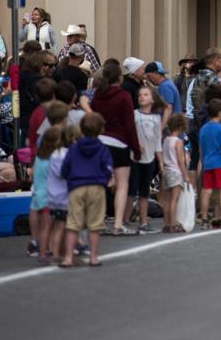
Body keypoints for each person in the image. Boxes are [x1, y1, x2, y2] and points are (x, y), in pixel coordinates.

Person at [92, 61, 141, 236]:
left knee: (101, 183)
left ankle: (100, 219)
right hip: (119, 142)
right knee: (122, 185)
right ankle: (118, 223)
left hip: (100, 141)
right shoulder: (124, 96)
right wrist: (136, 148)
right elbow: (129, 125)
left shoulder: (97, 95)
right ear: (119, 78)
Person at [59, 112, 113, 267]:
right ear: (101, 130)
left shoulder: (74, 148)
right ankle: (94, 257)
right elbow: (108, 168)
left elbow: (65, 168)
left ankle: (68, 257)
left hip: (77, 186)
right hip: (96, 186)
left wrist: (70, 179)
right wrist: (104, 180)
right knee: (95, 225)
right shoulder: (102, 148)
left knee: (73, 224)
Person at [130, 85, 163, 233]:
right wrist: (135, 145)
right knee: (131, 191)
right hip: (135, 158)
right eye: (140, 95)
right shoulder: (134, 114)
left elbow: (158, 141)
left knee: (144, 191)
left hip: (149, 158)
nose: (142, 97)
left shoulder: (156, 118)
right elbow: (129, 133)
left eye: (145, 94)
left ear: (152, 99)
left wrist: (161, 162)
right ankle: (124, 219)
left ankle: (143, 222)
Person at [198, 100, 221, 229]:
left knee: (207, 190)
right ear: (219, 113)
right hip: (220, 163)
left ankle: (204, 218)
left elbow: (201, 148)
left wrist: (203, 162)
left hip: (207, 163)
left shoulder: (203, 129)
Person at [46, 123, 76, 261]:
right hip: (63, 196)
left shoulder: (55, 153)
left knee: (58, 226)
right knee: (63, 227)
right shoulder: (65, 154)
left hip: (53, 195)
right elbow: (63, 173)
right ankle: (58, 253)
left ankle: (56, 252)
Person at [31, 127, 58, 263]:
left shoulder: (38, 159)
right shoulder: (52, 160)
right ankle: (48, 251)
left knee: (43, 227)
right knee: (50, 227)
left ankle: (41, 251)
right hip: (48, 196)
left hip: (37, 194)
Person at [160, 114, 190, 232]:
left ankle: (166, 223)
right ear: (181, 127)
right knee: (175, 199)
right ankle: (173, 223)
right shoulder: (178, 142)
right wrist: (185, 175)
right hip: (175, 171)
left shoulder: (166, 140)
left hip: (167, 171)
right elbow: (180, 160)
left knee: (167, 199)